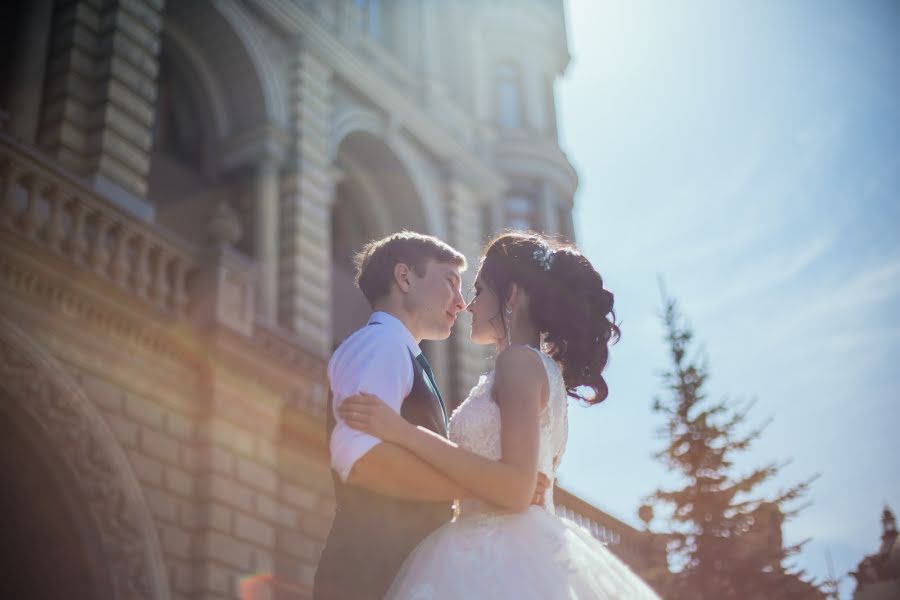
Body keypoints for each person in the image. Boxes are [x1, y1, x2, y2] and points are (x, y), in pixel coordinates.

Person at [339, 232, 662, 599]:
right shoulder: (545, 372)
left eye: (478, 291)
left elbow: (516, 489)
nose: (468, 305)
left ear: (510, 297)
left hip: (490, 554)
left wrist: (401, 431)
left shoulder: (518, 362)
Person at [313, 231, 549, 600]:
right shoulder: (381, 344)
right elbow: (362, 461)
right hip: (371, 580)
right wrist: (489, 488)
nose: (461, 303)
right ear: (405, 278)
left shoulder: (404, 355)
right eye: (451, 283)